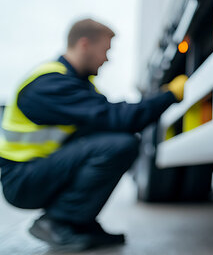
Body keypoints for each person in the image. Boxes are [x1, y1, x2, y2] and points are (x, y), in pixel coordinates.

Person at [0, 18, 187, 251]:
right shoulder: (50, 83)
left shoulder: (78, 85)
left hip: (41, 169)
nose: (107, 59)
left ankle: (78, 222)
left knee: (117, 141)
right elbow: (121, 119)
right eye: (105, 50)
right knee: (119, 146)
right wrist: (168, 96)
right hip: (21, 178)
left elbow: (114, 118)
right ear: (85, 44)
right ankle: (57, 222)